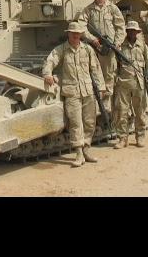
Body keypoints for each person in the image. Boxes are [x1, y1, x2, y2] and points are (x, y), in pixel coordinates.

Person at [42, 21, 106, 167]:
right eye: (73, 33)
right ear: (69, 34)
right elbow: (50, 61)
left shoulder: (87, 49)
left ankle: (87, 150)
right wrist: (47, 73)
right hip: (72, 93)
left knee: (90, 122)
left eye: (78, 33)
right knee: (76, 123)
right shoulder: (62, 49)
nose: (76, 36)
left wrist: (101, 87)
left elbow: (95, 69)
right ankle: (78, 153)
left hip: (88, 91)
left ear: (81, 35)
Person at [79, 0, 125, 122]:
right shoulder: (88, 10)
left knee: (109, 77)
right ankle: (96, 106)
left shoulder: (112, 9)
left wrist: (117, 43)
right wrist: (92, 39)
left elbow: (120, 27)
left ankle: (107, 110)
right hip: (94, 48)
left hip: (109, 49)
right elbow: (81, 25)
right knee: (94, 76)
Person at [113, 21, 148, 149]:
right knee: (122, 112)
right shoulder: (120, 46)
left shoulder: (142, 46)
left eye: (134, 30)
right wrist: (116, 80)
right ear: (127, 32)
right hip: (124, 84)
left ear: (137, 32)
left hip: (139, 83)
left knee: (140, 112)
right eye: (130, 30)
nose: (132, 32)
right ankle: (122, 139)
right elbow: (114, 65)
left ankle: (140, 137)